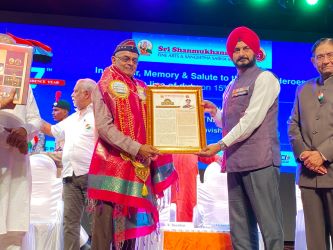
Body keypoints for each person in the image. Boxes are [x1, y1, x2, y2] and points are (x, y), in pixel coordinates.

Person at [197, 26, 284, 250]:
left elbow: (251, 120)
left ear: (255, 51)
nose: (241, 53)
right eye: (236, 49)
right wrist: (215, 112)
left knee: (269, 225)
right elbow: (229, 124)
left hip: (260, 161)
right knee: (241, 227)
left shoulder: (265, 78)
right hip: (235, 163)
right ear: (230, 54)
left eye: (246, 48)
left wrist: (219, 145)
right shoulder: (230, 86)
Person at [88, 39, 177, 250]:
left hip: (137, 169)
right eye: (126, 59)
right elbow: (104, 128)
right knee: (104, 233)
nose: (131, 63)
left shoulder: (141, 88)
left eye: (135, 60)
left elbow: (156, 120)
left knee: (130, 231)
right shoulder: (102, 86)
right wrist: (137, 148)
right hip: (110, 168)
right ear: (113, 60)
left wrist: (163, 99)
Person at [288, 38, 333, 250]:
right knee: (315, 241)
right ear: (313, 61)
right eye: (320, 56)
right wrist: (306, 155)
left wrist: (322, 154)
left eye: (330, 55)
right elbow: (293, 125)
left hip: (331, 171)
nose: (325, 60)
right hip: (308, 175)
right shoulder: (302, 89)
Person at [41, 78, 97, 250]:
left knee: (97, 224)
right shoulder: (72, 118)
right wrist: (32, 115)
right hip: (69, 177)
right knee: (69, 224)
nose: (72, 94)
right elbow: (52, 131)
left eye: (76, 91)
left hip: (92, 176)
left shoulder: (99, 115)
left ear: (87, 94)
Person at [0, 85, 41, 249]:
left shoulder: (22, 84)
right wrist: (6, 136)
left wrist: (25, 130)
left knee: (13, 231)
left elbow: (36, 119)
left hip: (17, 165)